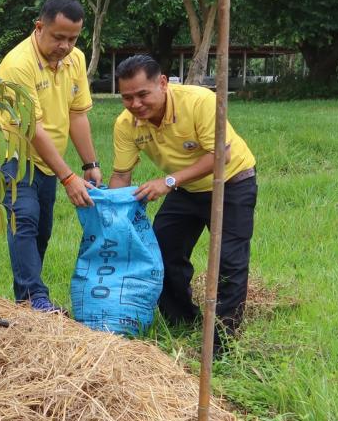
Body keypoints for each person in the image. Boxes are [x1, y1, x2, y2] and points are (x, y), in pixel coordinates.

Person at [107, 55, 258, 355]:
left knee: (229, 260)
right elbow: (122, 175)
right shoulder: (126, 125)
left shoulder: (199, 101)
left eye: (142, 94)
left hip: (231, 183)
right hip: (187, 188)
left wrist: (169, 182)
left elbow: (220, 156)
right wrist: (110, 215)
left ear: (162, 83)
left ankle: (222, 340)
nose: (135, 104)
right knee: (160, 252)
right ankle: (182, 321)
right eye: (127, 97)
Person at [0, 0, 101, 312]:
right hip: (11, 152)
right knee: (24, 218)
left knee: (42, 229)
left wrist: (90, 163)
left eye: (73, 38)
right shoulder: (18, 64)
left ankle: (25, 302)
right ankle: (34, 298)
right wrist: (67, 177)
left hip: (46, 159)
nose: (66, 46)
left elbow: (78, 114)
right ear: (39, 27)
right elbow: (32, 129)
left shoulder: (75, 60)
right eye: (59, 37)